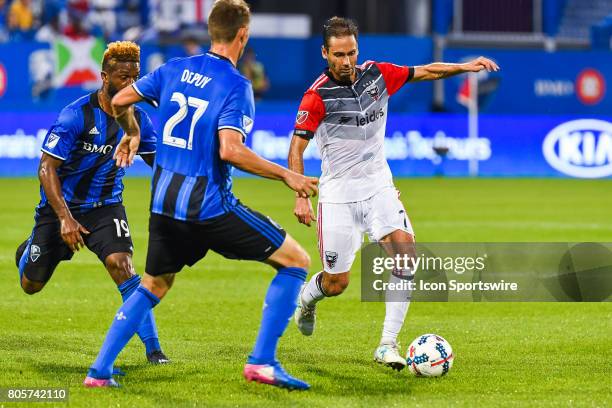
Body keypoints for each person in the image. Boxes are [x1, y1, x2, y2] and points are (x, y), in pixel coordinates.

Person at [83, 0, 319, 390]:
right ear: (243, 34)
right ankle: (262, 362)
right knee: (295, 260)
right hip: (208, 206)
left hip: (163, 204)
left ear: (211, 32)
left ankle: (99, 372)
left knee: (153, 285)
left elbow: (120, 100)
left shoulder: (174, 68)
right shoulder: (237, 86)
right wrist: (286, 175)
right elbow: (230, 150)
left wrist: (132, 131)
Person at [289, 17, 499, 370]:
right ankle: (308, 299)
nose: (346, 61)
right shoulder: (316, 96)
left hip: (378, 185)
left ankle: (387, 344)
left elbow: (427, 71)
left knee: (405, 255)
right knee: (337, 283)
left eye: (351, 52)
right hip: (338, 194)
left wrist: (463, 67)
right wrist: (300, 194)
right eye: (338, 54)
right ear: (325, 53)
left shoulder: (378, 75)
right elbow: (296, 149)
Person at [15, 41, 170, 366]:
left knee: (122, 265)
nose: (131, 85)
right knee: (31, 284)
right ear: (104, 76)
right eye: (123, 77)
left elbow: (161, 165)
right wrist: (64, 219)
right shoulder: (75, 115)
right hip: (61, 209)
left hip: (106, 207)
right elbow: (46, 168)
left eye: (135, 78)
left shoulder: (140, 120)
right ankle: (30, 247)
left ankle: (154, 350)